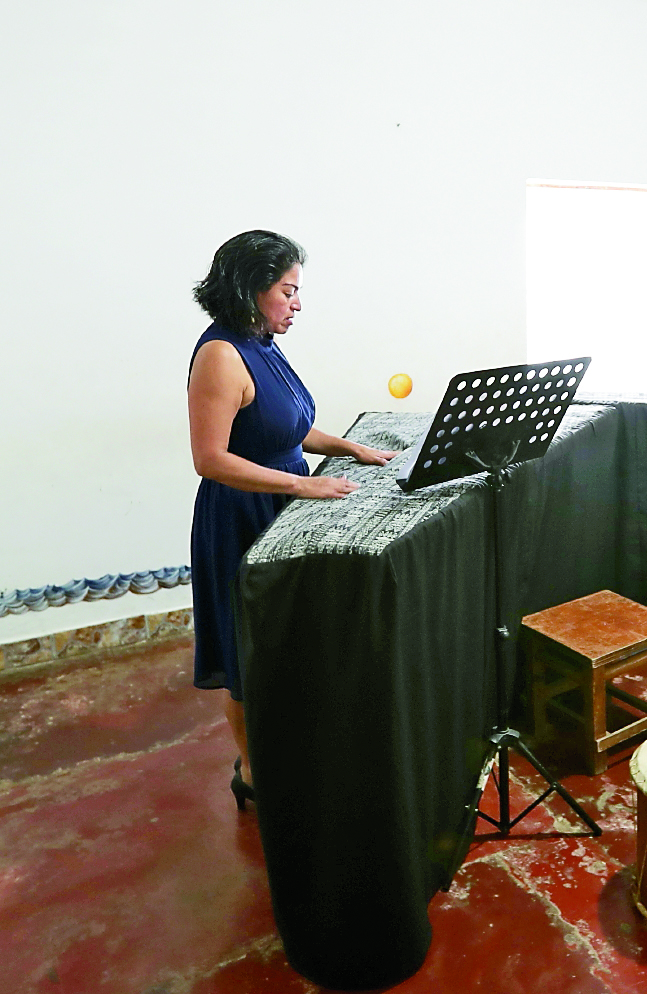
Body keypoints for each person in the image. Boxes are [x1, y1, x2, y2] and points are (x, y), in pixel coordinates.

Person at [187, 230, 395, 810]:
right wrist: (303, 483)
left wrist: (346, 447)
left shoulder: (262, 343)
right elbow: (211, 458)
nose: (297, 303)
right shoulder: (220, 355)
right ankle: (253, 772)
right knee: (245, 650)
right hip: (241, 513)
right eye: (288, 289)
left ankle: (289, 745)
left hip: (280, 501)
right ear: (252, 290)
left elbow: (285, 427)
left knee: (285, 638)